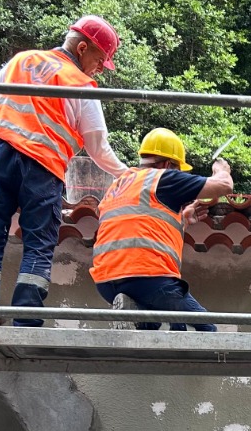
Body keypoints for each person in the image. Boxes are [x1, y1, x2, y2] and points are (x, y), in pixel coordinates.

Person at [0, 16, 129, 326]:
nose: (98, 69)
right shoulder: (80, 83)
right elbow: (97, 146)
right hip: (42, 165)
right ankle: (26, 322)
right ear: (82, 48)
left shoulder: (23, 60)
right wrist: (128, 174)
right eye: (98, 59)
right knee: (38, 243)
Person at [89, 128, 234, 332]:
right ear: (167, 164)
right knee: (205, 330)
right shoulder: (163, 178)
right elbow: (224, 185)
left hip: (106, 282)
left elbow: (134, 223)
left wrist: (182, 220)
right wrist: (222, 169)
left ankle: (139, 316)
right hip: (146, 278)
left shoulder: (120, 184)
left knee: (154, 325)